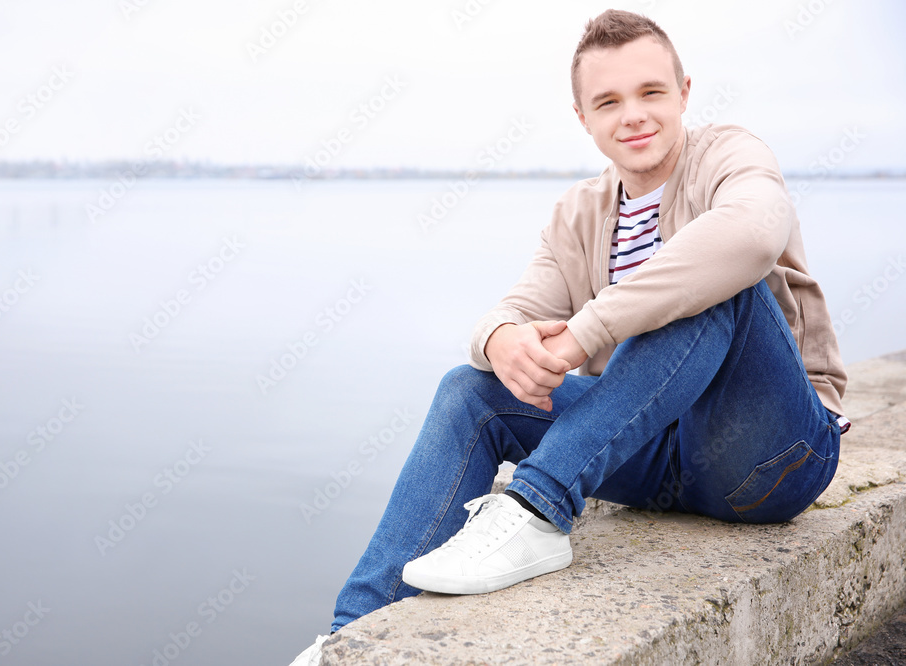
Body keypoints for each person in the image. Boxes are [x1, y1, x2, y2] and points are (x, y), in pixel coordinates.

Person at [291, 8, 849, 664]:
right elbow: (514, 309)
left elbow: (753, 234)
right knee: (468, 390)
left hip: (772, 455)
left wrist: (585, 334)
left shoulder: (729, 154)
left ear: (685, 94)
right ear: (583, 117)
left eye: (651, 93)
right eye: (608, 101)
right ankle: (351, 636)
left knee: (717, 286)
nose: (633, 115)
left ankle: (535, 507)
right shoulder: (580, 212)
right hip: (657, 457)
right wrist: (501, 340)